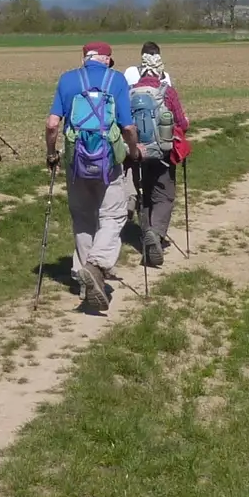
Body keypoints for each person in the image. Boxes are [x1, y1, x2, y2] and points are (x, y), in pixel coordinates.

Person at [44, 42, 143, 312]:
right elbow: (129, 127)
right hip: (108, 163)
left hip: (76, 163)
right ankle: (97, 265)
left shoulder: (67, 80)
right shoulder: (117, 80)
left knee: (83, 218)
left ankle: (86, 280)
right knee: (113, 215)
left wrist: (51, 154)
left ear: (84, 58)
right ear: (108, 59)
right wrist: (133, 151)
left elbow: (52, 124)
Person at [124, 43, 191, 268]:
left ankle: (146, 233)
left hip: (137, 152)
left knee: (145, 191)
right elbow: (181, 123)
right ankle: (156, 232)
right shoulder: (167, 91)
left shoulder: (130, 91)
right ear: (160, 69)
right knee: (164, 194)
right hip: (162, 151)